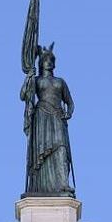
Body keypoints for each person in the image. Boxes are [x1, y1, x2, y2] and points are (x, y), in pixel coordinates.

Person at [20, 45, 75, 196]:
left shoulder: (60, 82)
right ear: (41, 63)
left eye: (51, 60)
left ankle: (63, 184)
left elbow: (70, 102)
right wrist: (28, 78)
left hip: (57, 116)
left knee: (61, 148)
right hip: (42, 117)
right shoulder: (36, 81)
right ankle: (37, 186)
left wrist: (69, 113)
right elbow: (23, 95)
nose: (48, 62)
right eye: (45, 59)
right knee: (41, 150)